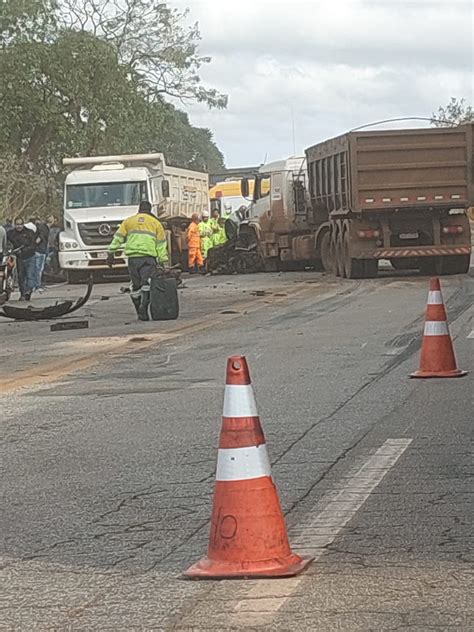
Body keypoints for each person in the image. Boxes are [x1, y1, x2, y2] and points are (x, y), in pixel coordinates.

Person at [107, 200, 168, 321]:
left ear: (139, 209)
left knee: (136, 285)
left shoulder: (129, 221)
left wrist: (111, 253)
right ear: (150, 210)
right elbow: (161, 244)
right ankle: (143, 307)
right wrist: (162, 260)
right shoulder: (155, 223)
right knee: (147, 284)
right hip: (148, 258)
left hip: (133, 259)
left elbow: (118, 238)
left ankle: (138, 310)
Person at [7, 217, 36, 301]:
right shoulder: (11, 234)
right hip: (19, 258)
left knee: (30, 276)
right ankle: (22, 294)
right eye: (17, 224)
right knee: (21, 277)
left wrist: (23, 250)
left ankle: (28, 292)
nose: (19, 226)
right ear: (14, 225)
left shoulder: (29, 232)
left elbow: (33, 245)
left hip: (30, 257)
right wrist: (12, 250)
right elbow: (8, 243)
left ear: (23, 224)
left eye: (20, 224)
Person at [29, 216, 49, 292]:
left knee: (37, 269)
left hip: (39, 250)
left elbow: (39, 238)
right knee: (38, 270)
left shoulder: (40, 227)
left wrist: (33, 245)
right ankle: (37, 285)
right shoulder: (44, 227)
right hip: (41, 251)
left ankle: (36, 285)